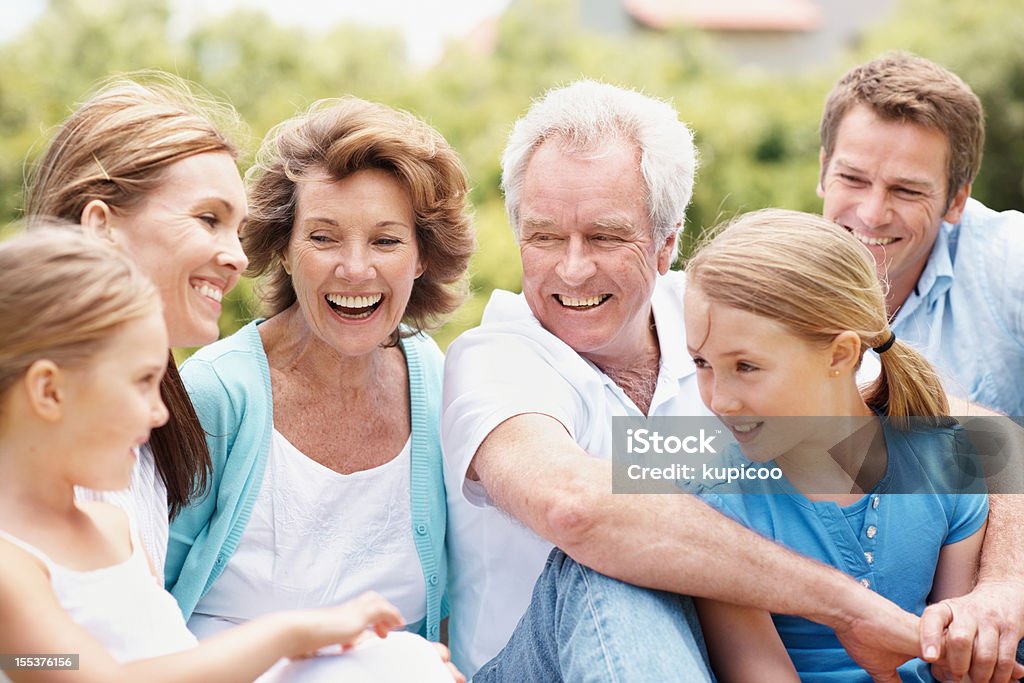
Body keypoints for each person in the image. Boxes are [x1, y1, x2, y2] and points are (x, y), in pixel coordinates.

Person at [441, 79, 1022, 682]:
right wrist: (850, 608)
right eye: (543, 236)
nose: (573, 267)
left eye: (607, 236)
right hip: (549, 658)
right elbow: (578, 509)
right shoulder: (497, 358)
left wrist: (1000, 589)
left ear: (666, 243)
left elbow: (978, 439)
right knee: (626, 552)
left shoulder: (720, 312)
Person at [0, 228, 408, 682]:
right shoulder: (9, 568)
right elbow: (95, 676)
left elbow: (172, 663)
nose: (159, 414)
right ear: (49, 391)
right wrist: (291, 633)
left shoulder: (116, 530)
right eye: (141, 382)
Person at [165, 97, 474, 659]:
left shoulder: (441, 379)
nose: (355, 269)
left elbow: (460, 590)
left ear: (422, 257)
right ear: (283, 248)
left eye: (386, 240)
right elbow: (144, 593)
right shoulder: (216, 393)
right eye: (324, 237)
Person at [683, 208, 990, 682]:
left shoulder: (947, 466)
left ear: (841, 353)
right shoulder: (718, 505)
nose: (718, 399)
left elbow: (959, 666)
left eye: (746, 366)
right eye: (702, 363)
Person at [23, 72, 249, 574]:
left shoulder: (150, 446)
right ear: (102, 226)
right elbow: (29, 659)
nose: (238, 257)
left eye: (240, 231)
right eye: (209, 219)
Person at [817, 52, 1024, 418]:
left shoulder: (1011, 261)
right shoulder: (778, 282)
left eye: (907, 191)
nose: (872, 214)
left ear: (957, 199)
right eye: (852, 179)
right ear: (823, 171)